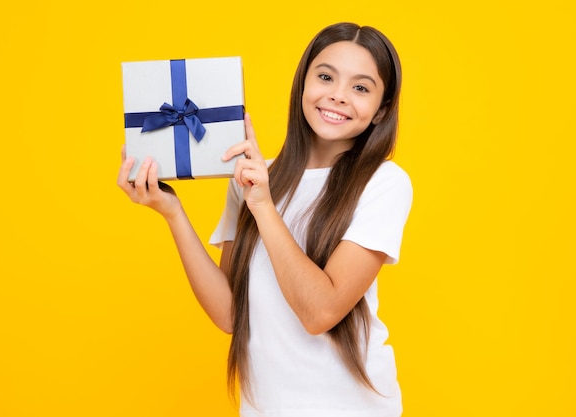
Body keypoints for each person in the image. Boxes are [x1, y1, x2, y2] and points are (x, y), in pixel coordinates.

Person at [117, 22, 413, 417]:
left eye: (361, 87)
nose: (338, 96)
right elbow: (229, 315)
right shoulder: (253, 177)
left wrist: (264, 205)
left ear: (381, 110)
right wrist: (172, 211)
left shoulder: (384, 183)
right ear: (303, 84)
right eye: (325, 77)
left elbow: (320, 312)